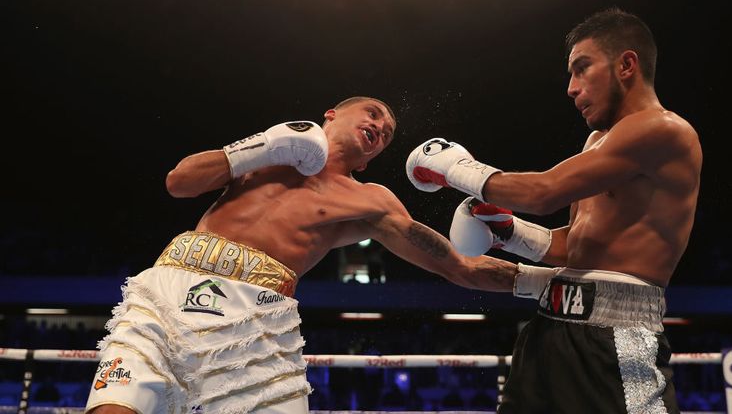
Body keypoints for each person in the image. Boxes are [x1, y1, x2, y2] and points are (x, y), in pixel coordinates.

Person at [85, 96, 520, 414]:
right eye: (372, 113)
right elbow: (179, 182)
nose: (380, 127)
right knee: (118, 407)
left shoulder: (370, 200)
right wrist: (260, 147)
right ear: (331, 114)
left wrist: (539, 280)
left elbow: (456, 266)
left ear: (371, 160)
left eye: (386, 133)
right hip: (171, 290)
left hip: (257, 318)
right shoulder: (268, 153)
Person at [406, 7, 701, 414]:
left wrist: (454, 168)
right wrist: (508, 231)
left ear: (627, 65)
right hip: (549, 331)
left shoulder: (664, 130)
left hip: (617, 339)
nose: (571, 88)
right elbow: (575, 243)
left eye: (582, 69)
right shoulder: (598, 139)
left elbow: (546, 192)